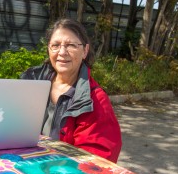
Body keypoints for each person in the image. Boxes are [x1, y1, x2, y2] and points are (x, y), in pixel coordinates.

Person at [20, 18, 122, 163]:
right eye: (55, 45)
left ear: (85, 51)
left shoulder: (95, 99)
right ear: (48, 49)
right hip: (22, 161)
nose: (62, 52)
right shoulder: (31, 82)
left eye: (71, 45)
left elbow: (94, 160)